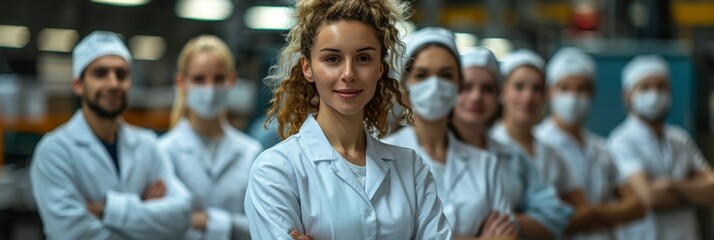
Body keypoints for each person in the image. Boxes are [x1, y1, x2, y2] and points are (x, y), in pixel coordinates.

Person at [243, 0, 452, 239]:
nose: (349, 74)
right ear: (307, 67)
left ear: (380, 68)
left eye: (363, 58)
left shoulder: (410, 168)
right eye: (332, 59)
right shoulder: (275, 170)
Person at [29, 31, 191, 239]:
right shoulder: (54, 151)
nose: (113, 84)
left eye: (121, 74)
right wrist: (145, 213)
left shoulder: (148, 145)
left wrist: (107, 209)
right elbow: (73, 234)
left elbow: (182, 216)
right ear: (78, 84)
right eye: (100, 73)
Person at [382, 27, 515, 240]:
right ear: (405, 87)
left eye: (446, 75)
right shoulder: (382, 158)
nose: (434, 85)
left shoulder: (485, 164)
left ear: (458, 85)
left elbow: (506, 234)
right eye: (422, 75)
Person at [452, 47, 573, 239]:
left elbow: (555, 216)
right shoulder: (434, 154)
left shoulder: (513, 156)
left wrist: (504, 223)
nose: (476, 97)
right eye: (466, 87)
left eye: (488, 89)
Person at [534, 47, 646, 239]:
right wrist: (609, 213)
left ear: (592, 93)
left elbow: (637, 206)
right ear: (549, 92)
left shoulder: (601, 148)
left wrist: (593, 214)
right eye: (564, 88)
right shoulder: (539, 143)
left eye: (581, 89)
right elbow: (549, 219)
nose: (573, 97)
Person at [159, 35, 263, 240]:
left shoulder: (250, 152)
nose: (210, 88)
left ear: (232, 80)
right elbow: (160, 224)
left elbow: (260, 226)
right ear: (181, 82)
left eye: (218, 79)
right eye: (199, 79)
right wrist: (232, 225)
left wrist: (203, 220)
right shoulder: (163, 151)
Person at [608, 54, 714, 240]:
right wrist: (692, 189)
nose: (654, 94)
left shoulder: (680, 139)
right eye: (645, 87)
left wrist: (671, 185)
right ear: (627, 95)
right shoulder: (621, 141)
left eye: (660, 87)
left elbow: (712, 190)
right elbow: (649, 197)